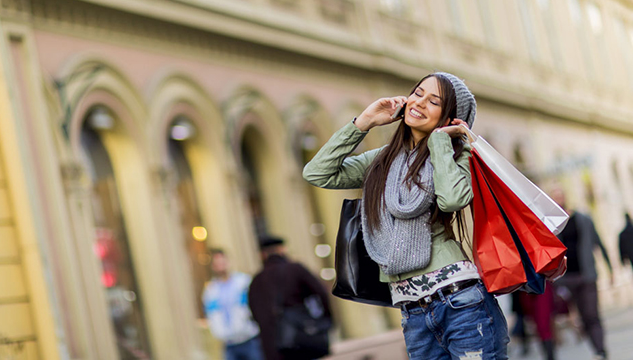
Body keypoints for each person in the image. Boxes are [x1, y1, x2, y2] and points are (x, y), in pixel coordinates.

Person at [303, 72, 509, 359]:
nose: (420, 102)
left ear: (450, 117)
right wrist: (364, 122)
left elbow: (451, 200)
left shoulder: (459, 157)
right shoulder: (382, 161)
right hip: (412, 313)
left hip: (461, 303)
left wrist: (439, 143)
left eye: (434, 101)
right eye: (418, 92)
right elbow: (317, 173)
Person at [248, 236, 332, 360]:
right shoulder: (295, 269)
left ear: (262, 254)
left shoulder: (256, 281)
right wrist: (324, 321)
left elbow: (253, 313)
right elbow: (321, 293)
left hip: (272, 347)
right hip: (301, 340)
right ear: (282, 249)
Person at [553, 188, 612, 360]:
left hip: (586, 275)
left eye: (560, 196)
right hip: (567, 279)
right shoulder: (553, 226)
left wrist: (609, 269)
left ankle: (601, 349)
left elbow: (598, 243)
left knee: (592, 313)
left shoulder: (584, 220)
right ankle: (596, 347)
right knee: (582, 317)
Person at [202, 249, 264, 360]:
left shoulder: (243, 281)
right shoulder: (211, 290)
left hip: (249, 339)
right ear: (213, 266)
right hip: (229, 343)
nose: (221, 266)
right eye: (217, 264)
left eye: (222, 262)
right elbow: (211, 314)